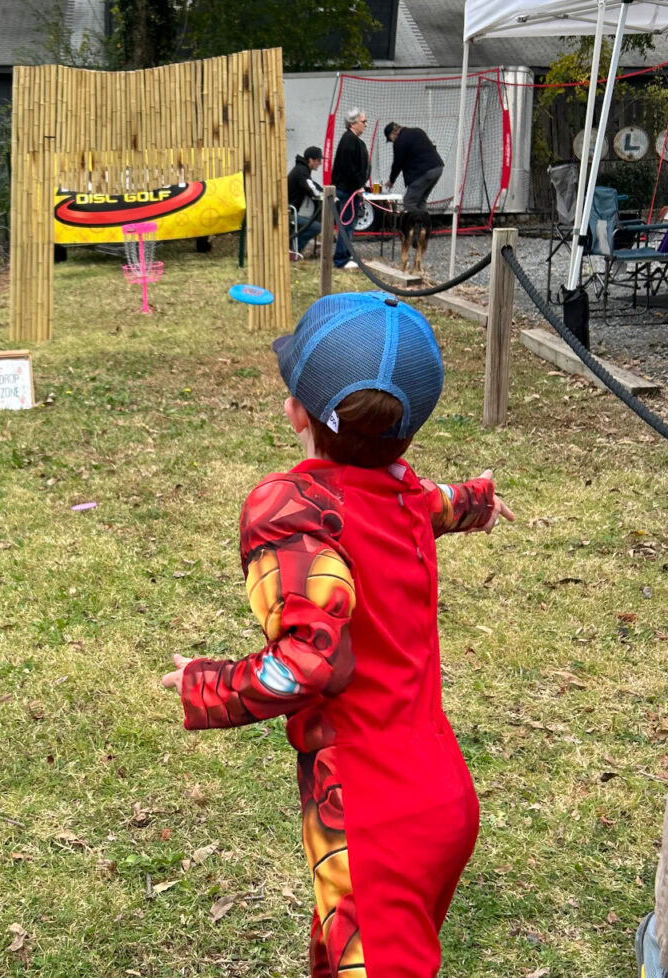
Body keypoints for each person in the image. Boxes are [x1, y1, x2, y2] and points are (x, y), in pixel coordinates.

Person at [162, 292, 514, 978]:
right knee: (346, 952)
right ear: (407, 430)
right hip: (440, 793)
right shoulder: (403, 495)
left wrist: (208, 685)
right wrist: (476, 500)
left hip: (372, 813)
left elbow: (308, 664)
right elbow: (431, 504)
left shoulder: (292, 508)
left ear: (297, 408)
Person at [330, 107, 371, 270]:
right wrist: (357, 186)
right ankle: (341, 258)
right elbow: (348, 168)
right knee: (346, 224)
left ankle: (344, 255)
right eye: (363, 122)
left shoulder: (354, 141)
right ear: (353, 123)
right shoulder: (349, 141)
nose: (365, 125)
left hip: (351, 189)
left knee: (350, 224)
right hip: (347, 190)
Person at [384, 122, 444, 215]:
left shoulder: (399, 141)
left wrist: (391, 181)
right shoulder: (418, 131)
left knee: (409, 202)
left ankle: (415, 226)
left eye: (390, 139)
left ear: (393, 133)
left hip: (423, 172)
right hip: (437, 167)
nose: (392, 141)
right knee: (421, 201)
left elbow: (397, 164)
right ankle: (425, 226)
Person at [288, 146, 324, 258]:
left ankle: (292, 249)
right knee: (316, 227)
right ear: (311, 160)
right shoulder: (302, 171)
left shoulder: (301, 169)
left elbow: (312, 184)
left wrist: (323, 190)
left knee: (311, 223)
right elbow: (311, 189)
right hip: (288, 213)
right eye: (318, 160)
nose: (320, 163)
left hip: (289, 211)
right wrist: (325, 195)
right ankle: (294, 251)